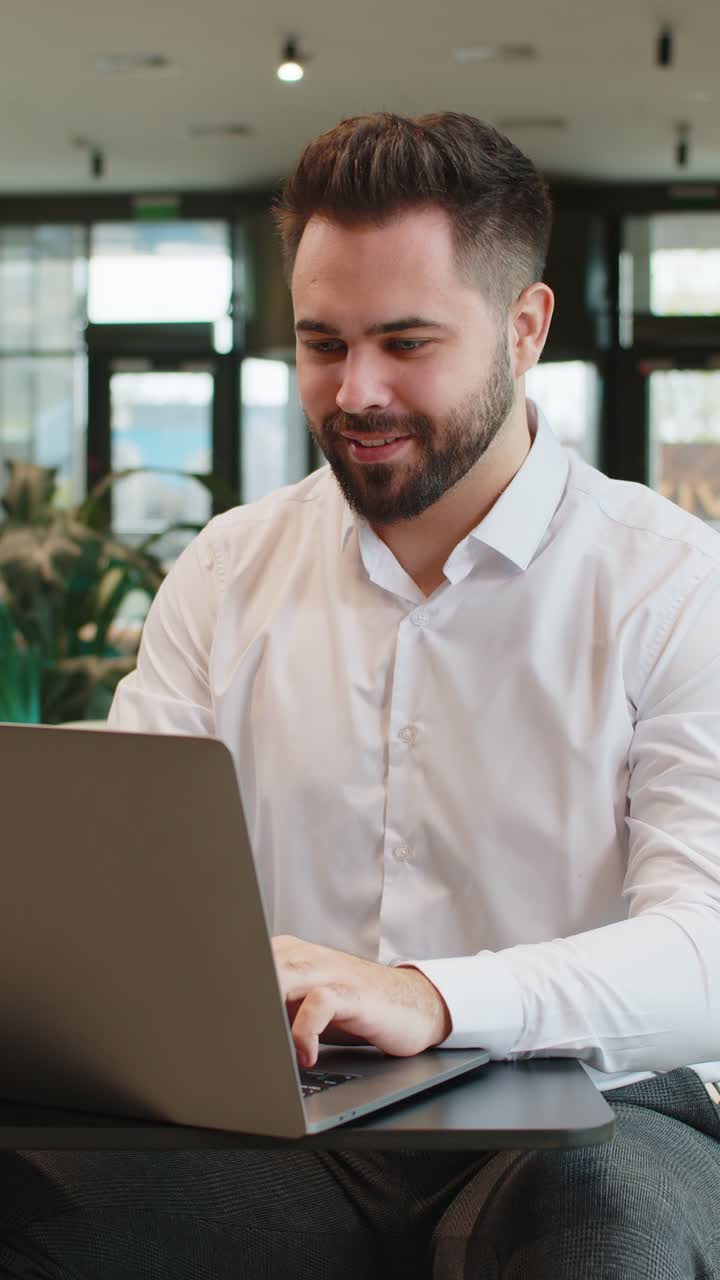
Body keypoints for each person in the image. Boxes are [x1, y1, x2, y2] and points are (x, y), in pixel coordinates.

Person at [1, 111, 719, 1279]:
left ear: (526, 328)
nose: (356, 390)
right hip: (290, 1123)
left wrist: (429, 995)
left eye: (406, 341)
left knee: (601, 1226)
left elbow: (706, 952)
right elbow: (121, 907)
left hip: (598, 1110)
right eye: (324, 343)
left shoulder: (673, 586)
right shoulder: (229, 570)